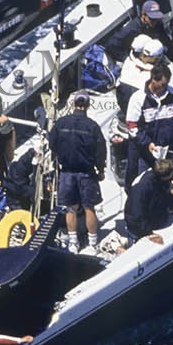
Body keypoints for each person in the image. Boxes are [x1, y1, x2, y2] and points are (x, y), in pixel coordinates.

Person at [48, 93, 106, 252]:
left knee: (71, 208)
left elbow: (51, 142)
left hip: (66, 173)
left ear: (73, 105)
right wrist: (100, 170)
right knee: (89, 208)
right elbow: (101, 151)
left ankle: (73, 242)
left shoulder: (61, 123)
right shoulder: (92, 126)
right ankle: (93, 242)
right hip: (86, 173)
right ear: (87, 106)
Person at [125, 64, 173, 186]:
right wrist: (147, 143)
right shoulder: (138, 98)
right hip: (150, 152)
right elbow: (132, 127)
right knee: (148, 183)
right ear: (153, 79)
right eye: (163, 84)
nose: (165, 88)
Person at [124, 156, 173, 240]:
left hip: (157, 217)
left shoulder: (159, 179)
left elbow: (166, 194)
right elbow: (135, 211)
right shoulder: (142, 187)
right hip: (142, 228)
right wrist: (148, 232)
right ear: (165, 176)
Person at [117, 35, 165, 115]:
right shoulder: (157, 74)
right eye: (144, 55)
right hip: (136, 101)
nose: (144, 58)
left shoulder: (129, 60)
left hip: (124, 95)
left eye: (146, 56)